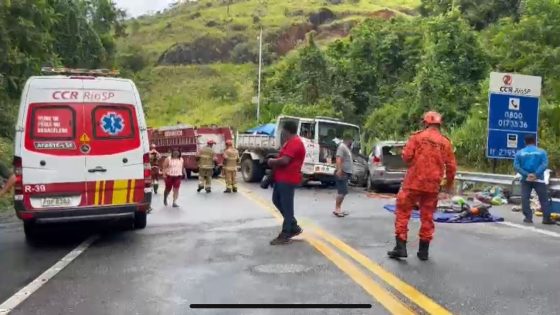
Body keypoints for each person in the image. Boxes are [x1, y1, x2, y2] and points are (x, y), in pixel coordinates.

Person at [388, 111, 457, 261]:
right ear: (439, 124)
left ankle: (400, 247)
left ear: (425, 122)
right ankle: (423, 252)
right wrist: (449, 184)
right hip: (432, 185)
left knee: (403, 212)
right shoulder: (445, 142)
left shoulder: (416, 137)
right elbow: (451, 167)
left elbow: (406, 157)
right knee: (427, 217)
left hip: (413, 182)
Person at [267, 121, 306, 245]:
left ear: (286, 130)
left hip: (288, 179)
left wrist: (271, 161)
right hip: (281, 178)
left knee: (287, 206)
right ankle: (293, 226)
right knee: (277, 200)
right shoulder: (289, 142)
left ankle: (286, 233)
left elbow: (285, 160)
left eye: (283, 130)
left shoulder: (295, 142)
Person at [514, 135, 554, 225]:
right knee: (543, 199)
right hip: (539, 179)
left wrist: (527, 174)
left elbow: (516, 166)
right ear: (535, 141)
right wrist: (536, 174)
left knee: (525, 198)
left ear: (525, 142)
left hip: (525, 179)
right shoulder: (541, 152)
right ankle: (546, 218)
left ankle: (528, 217)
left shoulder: (520, 153)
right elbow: (544, 164)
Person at [333, 132, 353, 217]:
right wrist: (339, 170)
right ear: (348, 140)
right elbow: (338, 158)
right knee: (342, 192)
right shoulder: (342, 147)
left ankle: (338, 208)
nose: (352, 142)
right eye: (351, 140)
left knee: (343, 192)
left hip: (345, 172)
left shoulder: (346, 148)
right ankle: (337, 209)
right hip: (342, 172)